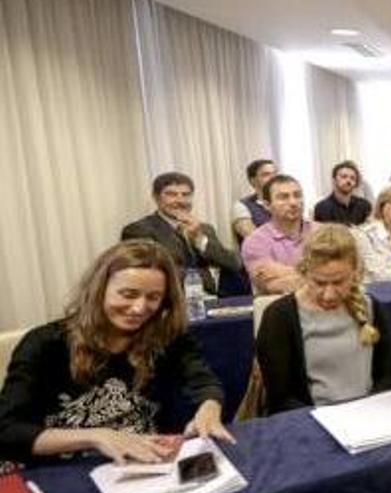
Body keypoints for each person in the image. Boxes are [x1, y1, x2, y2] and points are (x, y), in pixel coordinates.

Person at [0, 240, 232, 464]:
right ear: (99, 289)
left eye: (153, 298)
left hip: (144, 465)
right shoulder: (43, 343)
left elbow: (204, 382)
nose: (140, 308)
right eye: (128, 295)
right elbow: (7, 432)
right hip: (60, 472)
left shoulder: (168, 338)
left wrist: (210, 406)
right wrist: (98, 436)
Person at [256, 226, 391, 415]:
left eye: (339, 282)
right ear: (305, 273)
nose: (329, 295)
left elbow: (390, 375)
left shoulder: (370, 306)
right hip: (311, 421)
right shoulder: (279, 317)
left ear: (354, 274)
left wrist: (369, 410)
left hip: (369, 416)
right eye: (319, 283)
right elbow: (280, 398)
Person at [121, 172, 241, 295]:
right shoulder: (138, 230)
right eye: (171, 194)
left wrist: (199, 239)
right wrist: (206, 276)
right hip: (169, 300)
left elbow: (233, 264)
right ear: (156, 198)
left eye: (186, 195)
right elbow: (154, 271)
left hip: (210, 300)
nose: (180, 200)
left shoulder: (204, 228)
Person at [241, 174, 316, 294]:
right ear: (267, 205)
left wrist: (285, 273)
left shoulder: (323, 232)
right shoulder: (255, 241)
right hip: (278, 308)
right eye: (283, 197)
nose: (293, 202)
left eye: (297, 195)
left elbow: (344, 276)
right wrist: (321, 276)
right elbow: (273, 286)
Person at [313, 161, 372, 226]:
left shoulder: (364, 205)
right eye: (344, 177)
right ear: (334, 180)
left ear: (356, 183)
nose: (348, 181)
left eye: (352, 178)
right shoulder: (322, 208)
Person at [232, 159, 277, 244]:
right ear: (253, 180)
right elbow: (255, 240)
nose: (273, 178)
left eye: (275, 174)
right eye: (266, 174)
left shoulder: (286, 203)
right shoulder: (241, 206)